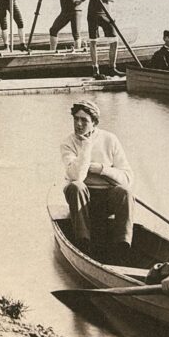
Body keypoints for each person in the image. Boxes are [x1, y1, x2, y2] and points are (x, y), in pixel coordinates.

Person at [60, 99, 134, 263]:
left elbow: (128, 178)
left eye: (84, 120)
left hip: (106, 198)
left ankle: (122, 247)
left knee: (125, 192)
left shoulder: (110, 139)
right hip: (81, 198)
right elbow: (77, 176)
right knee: (76, 186)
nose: (78, 124)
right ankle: (84, 243)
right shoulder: (68, 143)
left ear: (94, 123)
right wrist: (86, 146)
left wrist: (102, 169)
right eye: (76, 119)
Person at [85, 0, 122, 78]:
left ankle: (112, 68)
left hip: (106, 14)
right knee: (93, 42)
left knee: (114, 41)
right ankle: (95, 69)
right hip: (93, 14)